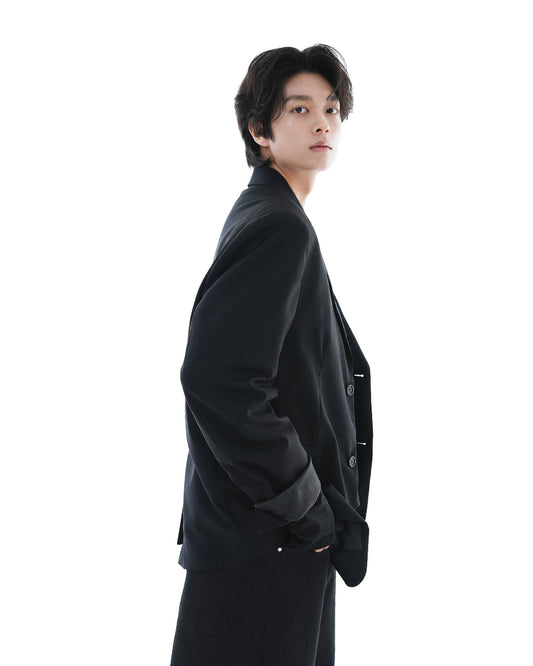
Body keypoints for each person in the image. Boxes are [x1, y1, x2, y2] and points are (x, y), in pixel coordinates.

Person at [169, 44, 373, 666]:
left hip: (263, 539)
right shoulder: (278, 226)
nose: (322, 123)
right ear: (260, 130)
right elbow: (220, 379)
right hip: (266, 544)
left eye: (331, 109)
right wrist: (306, 506)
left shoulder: (271, 212)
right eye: (300, 109)